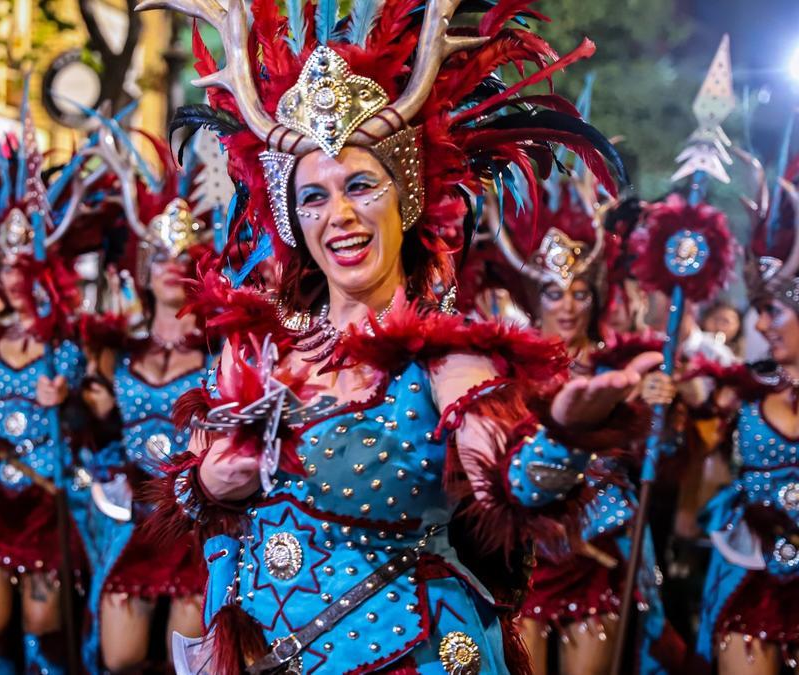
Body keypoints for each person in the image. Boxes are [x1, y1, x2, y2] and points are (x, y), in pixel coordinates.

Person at [140, 0, 661, 671]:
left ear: (405, 196)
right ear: (293, 219)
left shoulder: (449, 358)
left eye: (362, 184)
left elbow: (515, 482)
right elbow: (190, 494)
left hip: (413, 652)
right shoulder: (264, 356)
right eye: (315, 196)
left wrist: (564, 434)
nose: (343, 214)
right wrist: (213, 479)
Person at [487, 181, 677, 674]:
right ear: (536, 299)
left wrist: (658, 409)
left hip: (598, 552)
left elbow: (651, 454)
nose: (568, 306)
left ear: (594, 298)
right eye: (554, 293)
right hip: (527, 552)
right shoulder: (508, 370)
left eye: (578, 293)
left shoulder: (621, 368)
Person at [0, 115, 102, 673]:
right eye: (6, 260)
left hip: (52, 498)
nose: (15, 273)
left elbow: (106, 416)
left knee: (45, 630)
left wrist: (68, 401)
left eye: (26, 261)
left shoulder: (76, 341)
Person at [80, 127, 223, 671]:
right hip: (131, 522)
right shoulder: (113, 351)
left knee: (184, 662)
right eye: (160, 252)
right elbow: (93, 443)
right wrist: (92, 423)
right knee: (120, 659)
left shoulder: (219, 351)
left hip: (194, 525)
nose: (171, 263)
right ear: (144, 265)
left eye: (183, 253)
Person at [692, 163, 799, 675]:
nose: (758, 324)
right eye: (755, 309)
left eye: (771, 310)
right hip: (748, 571)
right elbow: (702, 472)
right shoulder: (744, 393)